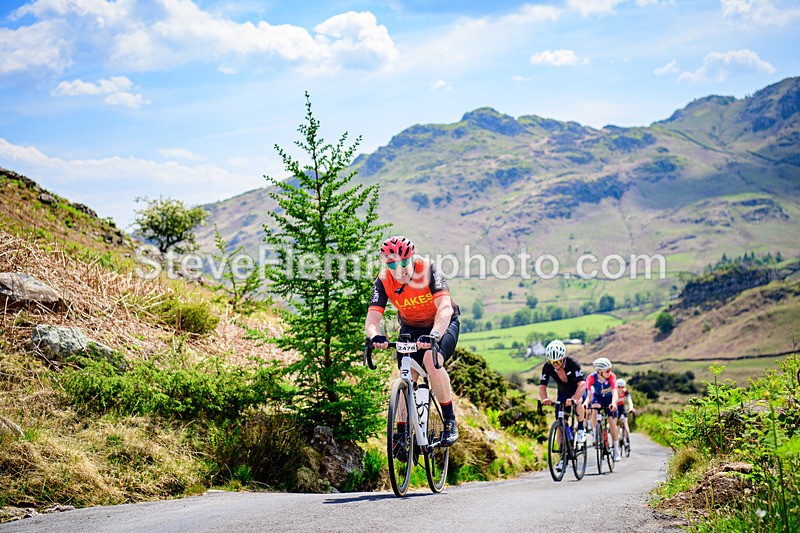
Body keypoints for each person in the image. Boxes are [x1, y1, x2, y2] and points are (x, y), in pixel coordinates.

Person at [364, 236, 461, 448]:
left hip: (442, 324)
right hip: (410, 328)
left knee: (431, 360)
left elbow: (445, 307)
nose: (398, 269)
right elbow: (372, 318)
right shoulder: (382, 281)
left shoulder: (428, 270)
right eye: (391, 264)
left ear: (411, 258)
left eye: (402, 263)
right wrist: (375, 337)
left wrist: (435, 334)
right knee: (406, 376)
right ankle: (401, 434)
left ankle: (450, 420)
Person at [538, 339, 587, 453]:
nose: (555, 364)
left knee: (578, 402)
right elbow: (542, 386)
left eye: (558, 361)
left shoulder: (572, 363)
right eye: (552, 362)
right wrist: (544, 398)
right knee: (560, 424)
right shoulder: (547, 367)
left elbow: (582, 384)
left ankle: (580, 429)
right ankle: (562, 454)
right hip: (563, 393)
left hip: (577, 390)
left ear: (563, 358)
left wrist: (574, 398)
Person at [583, 357, 622, 461]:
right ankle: (596, 433)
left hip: (610, 399)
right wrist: (586, 403)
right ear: (600, 372)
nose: (610, 372)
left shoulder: (611, 377)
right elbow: (588, 395)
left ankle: (616, 449)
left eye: (610, 369)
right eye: (607, 370)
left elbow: (615, 393)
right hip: (598, 397)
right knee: (594, 408)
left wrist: (613, 403)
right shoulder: (591, 378)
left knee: (611, 422)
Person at [616, 378, 635, 450]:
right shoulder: (614, 391)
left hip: (621, 406)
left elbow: (629, 400)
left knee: (625, 422)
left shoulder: (625, 391)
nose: (620, 388)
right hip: (615, 406)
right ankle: (618, 435)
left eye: (622, 387)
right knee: (616, 423)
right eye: (619, 387)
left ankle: (626, 438)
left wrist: (631, 408)